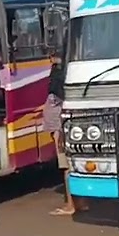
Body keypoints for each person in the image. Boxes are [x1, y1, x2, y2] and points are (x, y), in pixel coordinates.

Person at [43, 53, 77, 216]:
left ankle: (70, 204)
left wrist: (60, 136)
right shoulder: (62, 82)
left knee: (66, 167)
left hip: (60, 129)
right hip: (60, 128)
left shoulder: (58, 94)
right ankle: (79, 202)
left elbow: (61, 110)